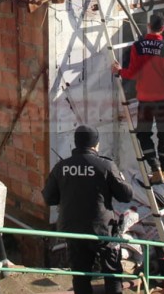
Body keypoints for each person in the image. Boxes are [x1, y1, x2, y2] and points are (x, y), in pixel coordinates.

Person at [42, 125, 133, 294]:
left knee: (81, 275)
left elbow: (49, 198)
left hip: (73, 231)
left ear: (76, 143)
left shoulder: (61, 167)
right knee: (112, 273)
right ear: (95, 145)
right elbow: (126, 195)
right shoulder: (105, 165)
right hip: (103, 231)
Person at [111, 13, 164, 184]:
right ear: (163, 28)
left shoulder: (138, 46)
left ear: (149, 26)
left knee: (143, 134)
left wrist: (119, 71)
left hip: (145, 100)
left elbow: (132, 73)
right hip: (163, 100)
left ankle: (154, 167)